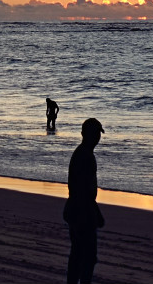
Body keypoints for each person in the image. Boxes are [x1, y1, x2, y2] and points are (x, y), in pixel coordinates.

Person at [63, 117, 105, 284]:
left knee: (79, 254)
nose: (97, 137)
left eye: (98, 134)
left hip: (79, 209)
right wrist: (93, 212)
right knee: (87, 256)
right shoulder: (84, 155)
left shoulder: (84, 153)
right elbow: (81, 190)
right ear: (84, 134)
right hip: (81, 211)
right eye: (94, 134)